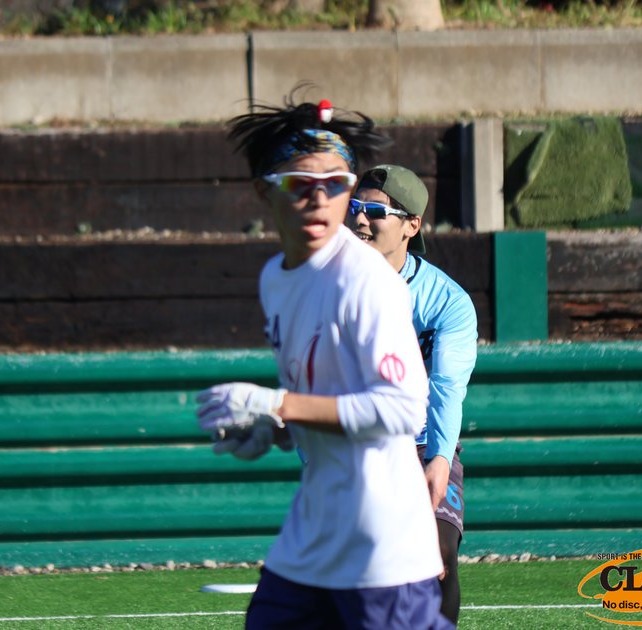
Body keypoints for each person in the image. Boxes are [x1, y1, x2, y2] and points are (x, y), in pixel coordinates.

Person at [195, 92, 456, 630]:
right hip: (312, 534)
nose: (320, 199)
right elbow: (328, 398)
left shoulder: (368, 282)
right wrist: (274, 428)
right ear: (264, 191)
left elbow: (403, 410)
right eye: (299, 184)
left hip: (379, 544)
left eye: (336, 184)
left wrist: (279, 404)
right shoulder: (275, 279)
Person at [346, 164, 478, 625]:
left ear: (412, 225)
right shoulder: (328, 287)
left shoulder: (448, 302)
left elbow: (447, 387)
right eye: (355, 207)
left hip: (422, 443)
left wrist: (439, 459)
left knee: (438, 556)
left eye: (375, 211)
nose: (360, 219)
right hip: (352, 445)